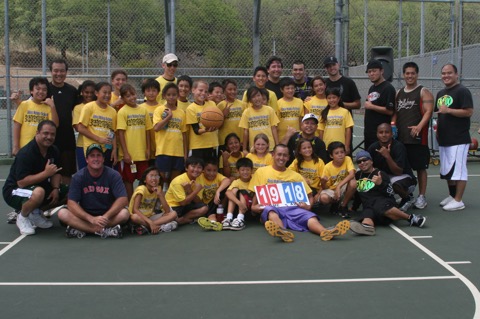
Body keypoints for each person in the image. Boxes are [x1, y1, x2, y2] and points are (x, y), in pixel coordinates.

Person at [249, 144, 350, 242]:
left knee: (310, 217)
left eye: (284, 155)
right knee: (271, 212)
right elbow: (256, 194)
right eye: (279, 154)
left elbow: (310, 196)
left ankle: (324, 232)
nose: (281, 158)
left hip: (293, 208)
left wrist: (308, 206)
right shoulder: (261, 172)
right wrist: (253, 207)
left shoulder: (296, 176)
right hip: (272, 207)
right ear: (273, 155)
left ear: (288, 157)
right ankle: (282, 231)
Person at [3, 120, 66, 235]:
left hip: (38, 187)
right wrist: (46, 174)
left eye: (52, 134)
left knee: (68, 191)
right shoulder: (26, 153)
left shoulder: (54, 150)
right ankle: (22, 217)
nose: (49, 137)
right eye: (45, 133)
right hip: (14, 191)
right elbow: (21, 182)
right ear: (37, 133)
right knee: (38, 192)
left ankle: (35, 213)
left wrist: (56, 188)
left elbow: (56, 173)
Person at [57, 144, 130, 239]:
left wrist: (106, 217)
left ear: (103, 159)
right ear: (87, 160)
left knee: (124, 213)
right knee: (62, 213)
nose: (96, 159)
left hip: (108, 215)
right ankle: (101, 230)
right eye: (92, 156)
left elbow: (123, 199)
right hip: (86, 216)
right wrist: (91, 219)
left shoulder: (113, 175)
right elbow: (71, 203)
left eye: (99, 155)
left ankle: (83, 229)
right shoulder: (78, 177)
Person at [349, 151, 426, 236]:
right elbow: (359, 194)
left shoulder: (380, 174)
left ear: (371, 161)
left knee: (380, 206)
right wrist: (354, 207)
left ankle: (411, 218)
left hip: (384, 203)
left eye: (365, 160)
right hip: (369, 206)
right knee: (366, 216)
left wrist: (381, 183)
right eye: (359, 162)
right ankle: (367, 228)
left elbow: (389, 193)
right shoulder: (358, 175)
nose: (362, 163)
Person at [393, 62, 434, 209]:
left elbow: (428, 111)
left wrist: (419, 126)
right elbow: (396, 113)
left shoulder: (423, 91)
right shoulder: (399, 93)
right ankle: (407, 195)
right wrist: (393, 125)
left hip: (417, 138)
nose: (410, 76)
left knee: (420, 168)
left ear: (417, 74)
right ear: (404, 75)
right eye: (407, 73)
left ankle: (422, 196)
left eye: (412, 73)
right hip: (402, 138)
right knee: (404, 168)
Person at [435, 63, 474, 211]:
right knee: (447, 170)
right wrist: (438, 131)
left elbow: (468, 112)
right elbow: (440, 115)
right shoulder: (440, 93)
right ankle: (452, 196)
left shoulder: (462, 91)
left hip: (459, 138)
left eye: (449, 73)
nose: (446, 76)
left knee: (459, 170)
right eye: (444, 73)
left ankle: (459, 200)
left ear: (456, 74)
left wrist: (449, 110)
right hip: (444, 138)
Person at [367, 123, 417, 211]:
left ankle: (407, 197)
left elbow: (398, 172)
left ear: (392, 134)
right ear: (377, 134)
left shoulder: (398, 147)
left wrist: (387, 156)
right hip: (384, 176)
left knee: (394, 184)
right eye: (381, 132)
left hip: (402, 177)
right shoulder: (373, 147)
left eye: (387, 132)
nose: (383, 135)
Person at [116, 84, 153, 200]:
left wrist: (148, 148)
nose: (131, 97)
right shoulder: (122, 112)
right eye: (127, 96)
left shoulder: (143, 110)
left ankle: (141, 203)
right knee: (128, 180)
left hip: (142, 153)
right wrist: (125, 153)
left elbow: (147, 131)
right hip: (129, 155)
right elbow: (121, 133)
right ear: (123, 98)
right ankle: (130, 204)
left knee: (144, 180)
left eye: (133, 94)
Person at [48, 59, 78, 185]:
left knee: (67, 174)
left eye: (62, 71)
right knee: (49, 172)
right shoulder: (45, 90)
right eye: (55, 71)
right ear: (51, 72)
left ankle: (66, 202)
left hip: (67, 139)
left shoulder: (72, 91)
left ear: (66, 72)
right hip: (48, 139)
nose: (58, 74)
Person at [13, 77, 59, 155]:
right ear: (31, 91)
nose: (41, 92)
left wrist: (52, 106)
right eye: (37, 89)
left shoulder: (48, 107)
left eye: (44, 90)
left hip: (42, 149)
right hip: (25, 148)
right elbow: (17, 125)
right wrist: (16, 146)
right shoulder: (24, 105)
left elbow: (55, 125)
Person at [153, 83, 187, 189]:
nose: (171, 97)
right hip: (163, 150)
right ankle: (159, 202)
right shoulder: (159, 110)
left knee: (174, 181)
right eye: (169, 95)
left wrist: (185, 154)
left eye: (174, 94)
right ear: (164, 96)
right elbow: (156, 128)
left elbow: (184, 134)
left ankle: (170, 202)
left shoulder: (181, 113)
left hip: (178, 152)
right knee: (162, 179)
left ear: (178, 95)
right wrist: (168, 117)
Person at [77, 82, 117, 168]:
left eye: (109, 93)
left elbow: (113, 131)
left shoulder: (113, 111)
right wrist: (99, 139)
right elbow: (81, 128)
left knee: (105, 177)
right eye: (104, 92)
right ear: (96, 93)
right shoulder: (89, 107)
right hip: (91, 148)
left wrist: (114, 149)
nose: (107, 95)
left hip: (106, 149)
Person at [128, 166, 178, 235]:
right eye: (151, 176)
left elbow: (167, 211)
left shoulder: (158, 189)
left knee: (173, 214)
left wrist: (160, 195)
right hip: (140, 217)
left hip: (151, 217)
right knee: (134, 217)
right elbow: (135, 210)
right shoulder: (141, 190)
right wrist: (150, 222)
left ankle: (148, 227)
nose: (154, 178)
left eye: (157, 176)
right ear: (145, 180)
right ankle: (159, 226)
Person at [317, 141, 356, 218]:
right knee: (324, 198)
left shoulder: (347, 159)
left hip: (343, 187)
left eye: (342, 152)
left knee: (353, 182)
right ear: (331, 156)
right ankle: (335, 203)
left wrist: (338, 186)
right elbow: (325, 187)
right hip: (332, 189)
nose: (340, 155)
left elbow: (352, 174)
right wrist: (323, 182)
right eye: (336, 153)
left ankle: (343, 206)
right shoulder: (327, 167)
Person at [165, 157, 208, 225]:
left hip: (187, 205)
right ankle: (182, 219)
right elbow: (182, 203)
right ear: (186, 168)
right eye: (193, 166)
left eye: (199, 167)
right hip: (173, 206)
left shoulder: (200, 177)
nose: (196, 170)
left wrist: (189, 190)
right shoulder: (178, 181)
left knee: (204, 208)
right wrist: (196, 191)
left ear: (202, 170)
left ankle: (182, 219)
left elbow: (198, 201)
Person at [364, 60, 396, 149]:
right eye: (369, 72)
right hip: (370, 132)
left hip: (382, 134)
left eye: (374, 71)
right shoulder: (372, 88)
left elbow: (390, 111)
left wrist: (372, 106)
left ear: (381, 71)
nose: (371, 74)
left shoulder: (388, 88)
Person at [186, 80, 219, 161]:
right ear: (193, 90)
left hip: (212, 144)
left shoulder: (211, 104)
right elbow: (196, 130)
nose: (203, 93)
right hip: (198, 146)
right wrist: (206, 129)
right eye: (200, 90)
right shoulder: (191, 108)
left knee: (211, 171)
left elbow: (217, 120)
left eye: (206, 91)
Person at [239, 86, 279, 152]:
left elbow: (274, 128)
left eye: (258, 95)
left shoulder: (269, 110)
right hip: (254, 147)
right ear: (250, 100)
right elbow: (246, 131)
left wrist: (277, 146)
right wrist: (244, 149)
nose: (257, 99)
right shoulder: (246, 112)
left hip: (270, 146)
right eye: (253, 97)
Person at [197, 160, 231, 231]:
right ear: (203, 170)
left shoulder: (218, 176)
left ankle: (212, 222)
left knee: (226, 189)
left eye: (214, 170)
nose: (212, 173)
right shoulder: (199, 177)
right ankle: (213, 221)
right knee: (210, 211)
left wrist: (218, 191)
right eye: (208, 170)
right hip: (203, 204)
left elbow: (227, 180)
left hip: (215, 203)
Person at [318, 87, 354, 154]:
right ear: (326, 99)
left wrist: (347, 146)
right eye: (329, 98)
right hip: (327, 147)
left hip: (341, 147)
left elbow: (348, 130)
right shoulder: (324, 113)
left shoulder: (345, 112)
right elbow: (321, 131)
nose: (332, 100)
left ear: (339, 98)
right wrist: (321, 146)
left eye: (334, 97)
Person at [223, 158, 255, 231]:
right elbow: (227, 193)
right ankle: (229, 218)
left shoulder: (254, 178)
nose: (245, 172)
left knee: (242, 192)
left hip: (250, 207)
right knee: (233, 191)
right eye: (242, 170)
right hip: (240, 207)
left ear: (252, 170)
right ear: (237, 171)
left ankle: (240, 219)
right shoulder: (237, 181)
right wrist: (239, 203)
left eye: (247, 170)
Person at [72, 80, 96, 170]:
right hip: (82, 145)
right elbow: (78, 128)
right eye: (86, 92)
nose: (89, 95)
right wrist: (96, 133)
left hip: (98, 145)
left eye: (92, 92)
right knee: (84, 172)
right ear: (82, 92)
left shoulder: (99, 106)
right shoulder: (78, 108)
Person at [217, 79, 246, 151]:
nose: (233, 91)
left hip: (239, 141)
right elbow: (217, 126)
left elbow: (246, 125)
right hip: (225, 142)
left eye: (234, 89)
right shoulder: (220, 105)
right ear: (224, 91)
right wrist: (224, 115)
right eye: (230, 89)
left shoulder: (242, 104)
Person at [139, 78, 161, 166]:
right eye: (148, 90)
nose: (151, 93)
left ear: (158, 92)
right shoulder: (140, 108)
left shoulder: (162, 108)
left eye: (154, 90)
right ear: (144, 93)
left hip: (159, 146)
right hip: (144, 146)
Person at [276, 77, 305, 142]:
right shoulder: (278, 103)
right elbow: (276, 124)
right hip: (282, 137)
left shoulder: (299, 101)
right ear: (281, 90)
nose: (290, 90)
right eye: (287, 88)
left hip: (297, 136)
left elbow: (301, 120)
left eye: (292, 88)